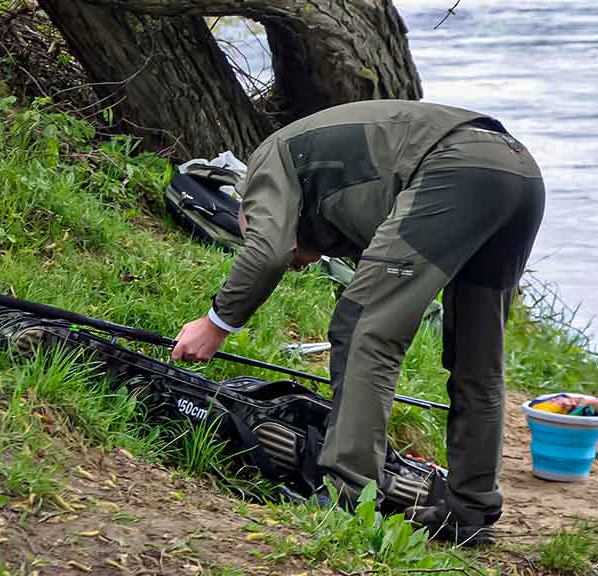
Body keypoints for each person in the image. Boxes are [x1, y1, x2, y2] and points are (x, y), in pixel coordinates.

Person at [171, 100, 545, 546]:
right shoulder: (336, 190)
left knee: (361, 328)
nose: (297, 265)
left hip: (455, 167)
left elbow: (267, 252)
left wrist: (217, 322)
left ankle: (347, 494)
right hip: (520, 174)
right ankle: (470, 510)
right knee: (477, 357)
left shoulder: (265, 167)